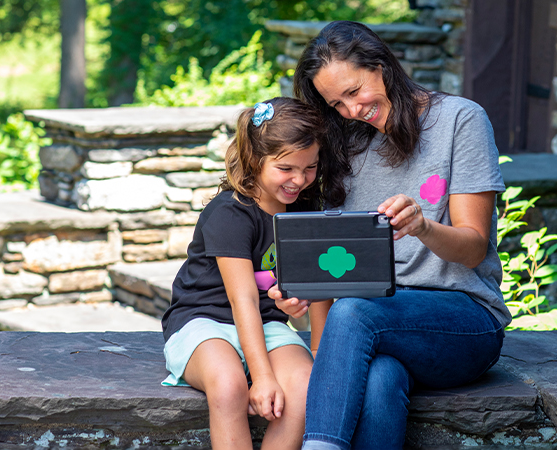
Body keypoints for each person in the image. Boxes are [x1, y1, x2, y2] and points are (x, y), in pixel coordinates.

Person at [282, 20, 509, 450]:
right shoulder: (344, 145)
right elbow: (329, 261)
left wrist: (422, 226)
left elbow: (474, 248)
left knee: (354, 312)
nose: (351, 111)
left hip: (463, 321)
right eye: (336, 104)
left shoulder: (460, 120)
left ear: (382, 65)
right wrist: (303, 293)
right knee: (382, 377)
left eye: (354, 92)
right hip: (377, 328)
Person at [159, 97, 339, 450]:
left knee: (306, 387)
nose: (299, 180)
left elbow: (320, 287)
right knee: (229, 386)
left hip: (268, 326)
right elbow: (242, 301)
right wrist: (262, 378)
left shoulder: (306, 208)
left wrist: (319, 354)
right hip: (202, 322)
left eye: (310, 168)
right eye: (286, 168)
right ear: (256, 160)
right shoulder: (230, 213)